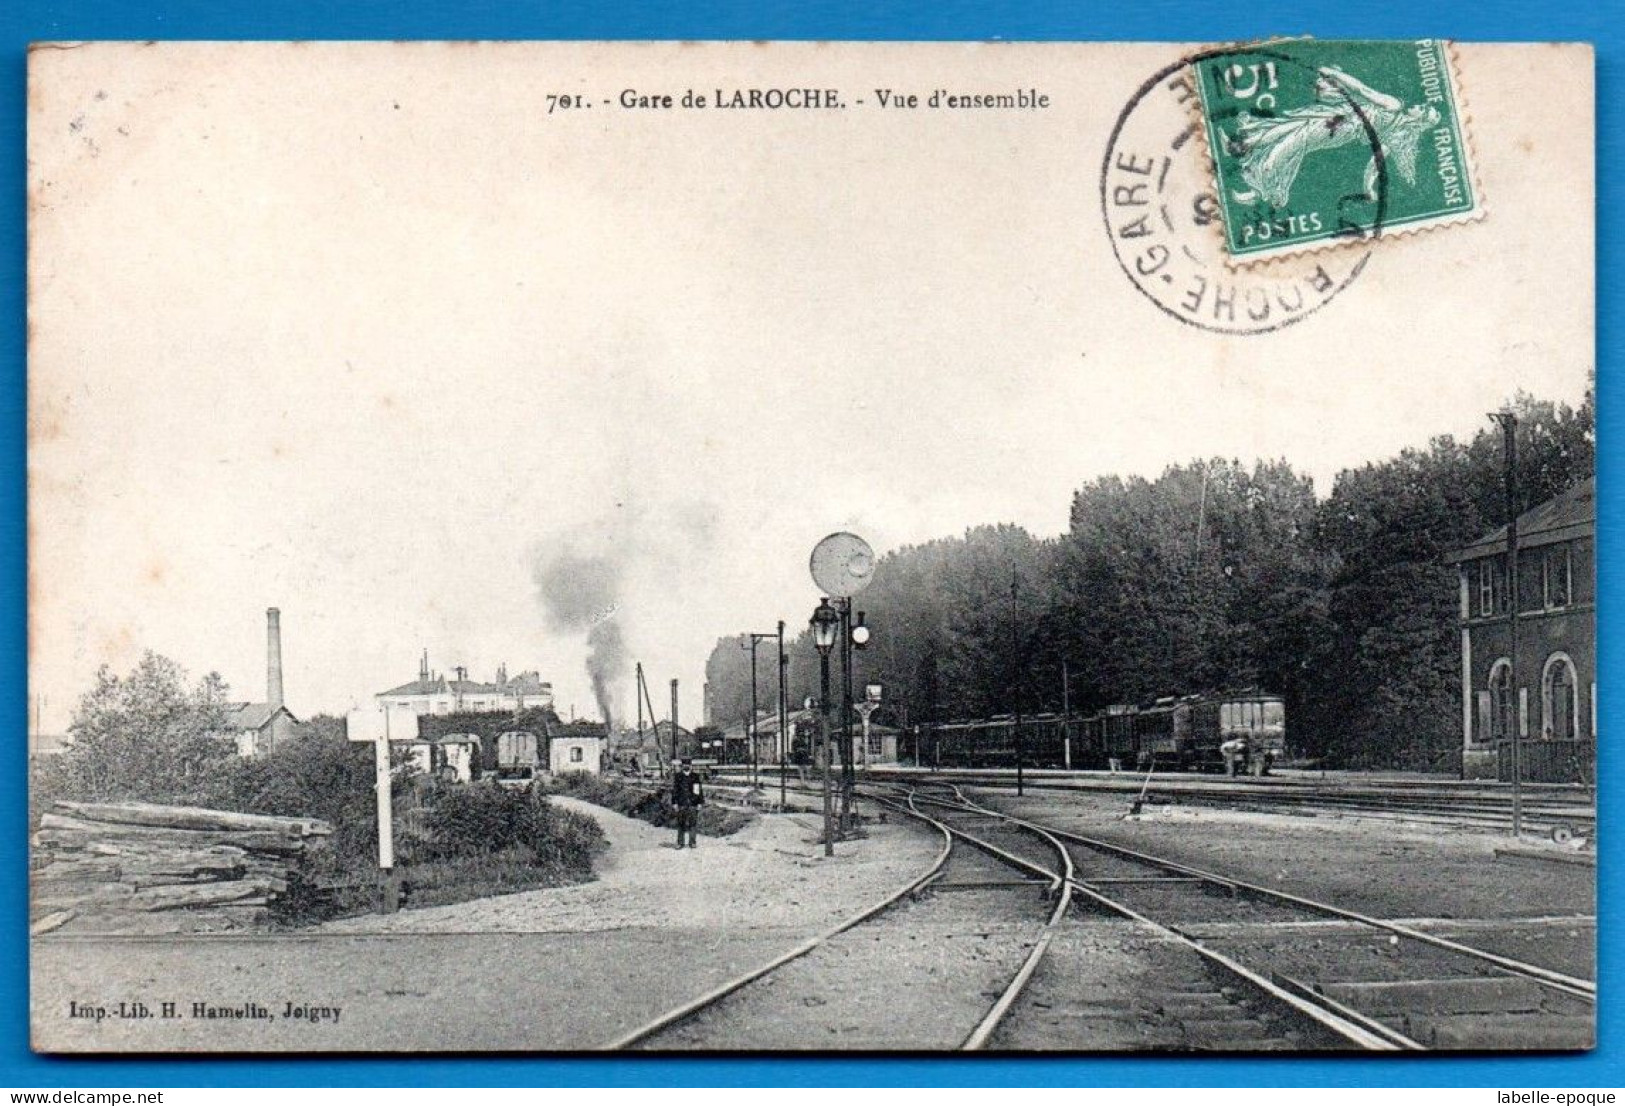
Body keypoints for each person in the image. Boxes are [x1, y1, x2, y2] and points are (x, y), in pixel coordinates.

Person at [671, 758, 704, 848]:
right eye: (684, 765)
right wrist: (674, 803)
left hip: (693, 804)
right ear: (682, 766)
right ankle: (680, 843)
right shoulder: (678, 777)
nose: (686, 766)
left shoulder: (695, 776)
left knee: (693, 823)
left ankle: (692, 842)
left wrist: (700, 803)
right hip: (681, 804)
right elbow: (674, 791)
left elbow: (699, 791)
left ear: (691, 766)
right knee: (681, 823)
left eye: (688, 765)